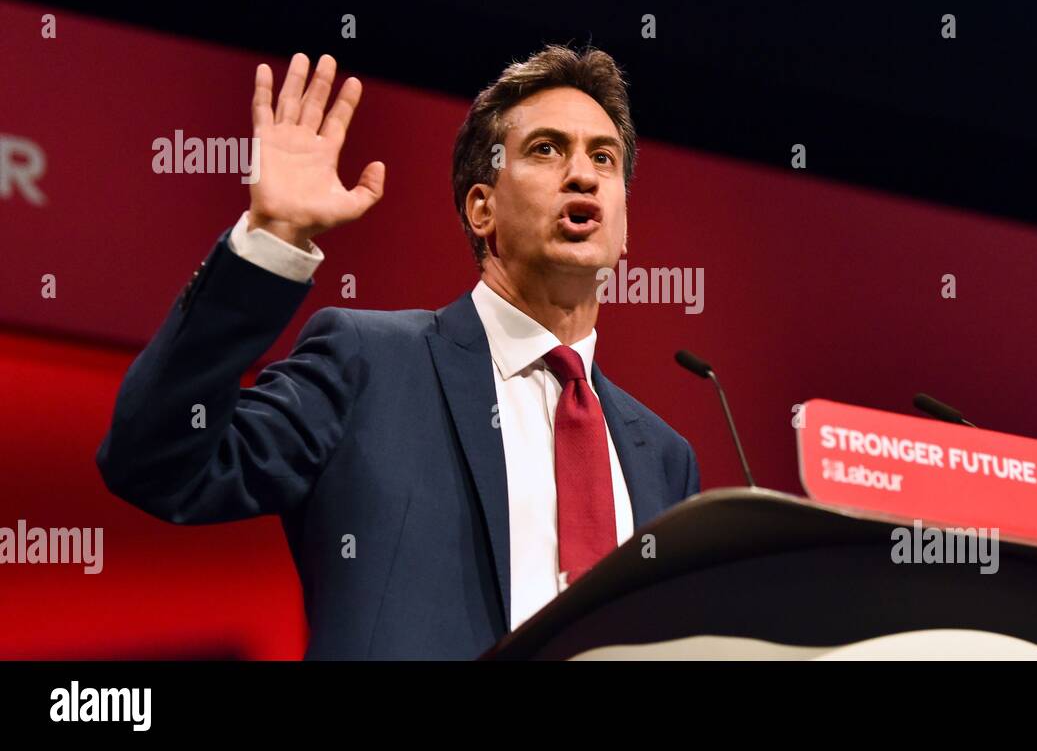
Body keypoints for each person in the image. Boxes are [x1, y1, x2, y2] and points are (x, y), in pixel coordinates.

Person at [96, 45, 701, 659]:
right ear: (481, 207)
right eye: (546, 149)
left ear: (624, 226)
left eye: (604, 157)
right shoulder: (369, 364)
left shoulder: (665, 460)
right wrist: (271, 241)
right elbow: (157, 464)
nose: (582, 174)